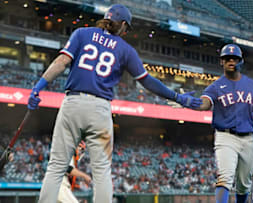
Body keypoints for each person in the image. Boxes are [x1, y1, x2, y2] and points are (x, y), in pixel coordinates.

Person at [27, 4, 202, 203]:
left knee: (56, 166)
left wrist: (38, 86)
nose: (126, 32)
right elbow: (148, 82)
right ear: (123, 25)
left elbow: (60, 62)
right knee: (101, 171)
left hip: (73, 103)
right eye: (127, 28)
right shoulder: (126, 49)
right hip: (100, 108)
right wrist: (177, 97)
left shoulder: (82, 34)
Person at [194, 44, 253, 203]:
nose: (230, 61)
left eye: (234, 58)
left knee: (244, 184)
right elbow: (205, 103)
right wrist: (189, 102)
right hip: (225, 137)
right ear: (221, 62)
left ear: (240, 61)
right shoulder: (215, 86)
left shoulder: (252, 85)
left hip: (248, 138)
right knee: (225, 177)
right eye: (227, 58)